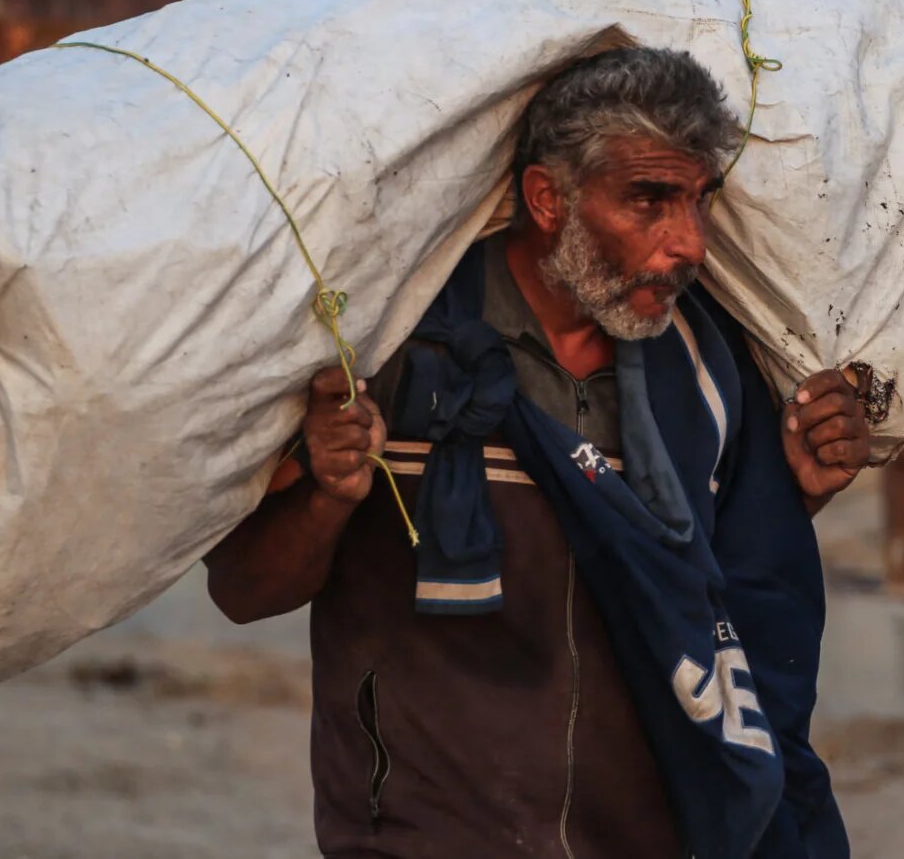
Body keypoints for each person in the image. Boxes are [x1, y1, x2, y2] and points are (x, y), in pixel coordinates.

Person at [206, 47, 869, 859]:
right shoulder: (394, 351)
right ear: (548, 198)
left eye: (698, 202)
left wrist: (794, 497)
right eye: (649, 201)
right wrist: (330, 496)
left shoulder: (705, 374)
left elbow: (726, 599)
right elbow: (242, 588)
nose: (688, 243)